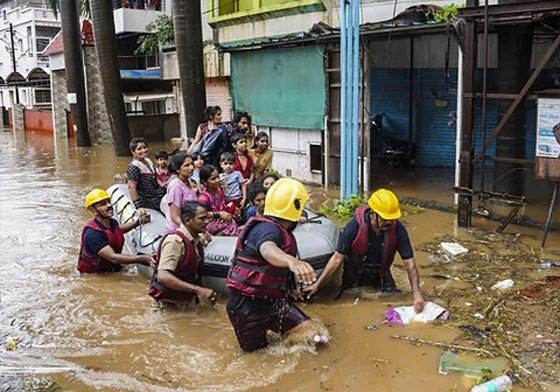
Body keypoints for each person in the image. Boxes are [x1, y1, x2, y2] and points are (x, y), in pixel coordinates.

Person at [226, 178, 320, 352]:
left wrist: (291, 288)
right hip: (247, 306)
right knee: (256, 356)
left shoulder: (281, 230)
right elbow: (268, 250)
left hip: (273, 302)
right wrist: (292, 262)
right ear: (295, 206)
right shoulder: (266, 229)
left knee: (313, 334)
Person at [303, 189, 425, 313]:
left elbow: (410, 264)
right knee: (351, 305)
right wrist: (317, 285)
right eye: (385, 218)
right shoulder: (354, 226)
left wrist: (416, 294)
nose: (389, 222)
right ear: (373, 214)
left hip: (381, 273)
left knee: (393, 300)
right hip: (354, 274)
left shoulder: (398, 230)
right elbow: (337, 259)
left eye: (392, 218)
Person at [149, 201, 218, 305]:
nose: (207, 221)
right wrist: (198, 290)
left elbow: (189, 254)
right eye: (202, 218)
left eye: (207, 218)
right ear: (188, 220)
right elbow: (163, 276)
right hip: (168, 304)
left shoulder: (195, 240)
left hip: (184, 301)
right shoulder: (174, 242)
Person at [78, 189, 155, 273]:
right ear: (93, 210)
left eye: (109, 202)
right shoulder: (92, 234)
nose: (109, 205)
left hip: (111, 269)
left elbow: (117, 231)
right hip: (96, 275)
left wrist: (138, 222)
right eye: (103, 204)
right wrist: (144, 258)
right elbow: (113, 258)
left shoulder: (112, 222)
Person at [198, 165, 241, 236]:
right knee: (228, 225)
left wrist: (233, 210)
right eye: (213, 179)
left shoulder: (219, 190)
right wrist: (219, 214)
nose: (217, 180)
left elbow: (224, 205)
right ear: (204, 182)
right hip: (210, 223)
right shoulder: (204, 198)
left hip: (223, 219)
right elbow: (201, 214)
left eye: (218, 177)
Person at [127, 137, 166, 212]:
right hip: (148, 199)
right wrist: (138, 207)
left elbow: (155, 178)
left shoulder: (148, 161)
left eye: (145, 147)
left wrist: (165, 186)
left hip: (157, 194)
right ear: (133, 152)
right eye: (139, 149)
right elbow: (131, 187)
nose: (143, 150)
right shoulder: (134, 166)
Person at [165, 152, 198, 233]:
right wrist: (190, 232)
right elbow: (175, 217)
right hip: (179, 230)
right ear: (178, 169)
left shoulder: (189, 181)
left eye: (192, 164)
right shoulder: (176, 186)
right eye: (187, 165)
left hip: (191, 225)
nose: (191, 167)